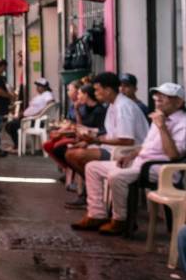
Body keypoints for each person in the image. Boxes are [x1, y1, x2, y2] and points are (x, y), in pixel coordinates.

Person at [76, 82, 185, 234]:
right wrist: (131, 155)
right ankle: (96, 215)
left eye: (164, 96)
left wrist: (162, 127)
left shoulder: (181, 122)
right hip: (140, 163)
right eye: (157, 95)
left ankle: (121, 220)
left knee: (117, 176)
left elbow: (173, 155)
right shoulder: (160, 117)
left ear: (179, 102)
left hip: (161, 169)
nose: (158, 99)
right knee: (93, 167)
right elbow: (147, 146)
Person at [67, 72, 149, 215]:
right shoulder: (113, 105)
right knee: (71, 154)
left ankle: (96, 198)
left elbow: (127, 140)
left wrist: (96, 140)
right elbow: (111, 133)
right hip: (114, 148)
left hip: (127, 151)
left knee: (77, 156)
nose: (95, 93)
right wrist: (88, 142)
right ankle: (96, 197)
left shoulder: (123, 107)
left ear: (108, 90)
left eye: (98, 90)